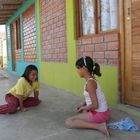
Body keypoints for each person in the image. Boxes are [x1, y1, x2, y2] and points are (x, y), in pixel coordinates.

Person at [65, 56, 110, 137]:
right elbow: (91, 97)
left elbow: (95, 105)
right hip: (103, 113)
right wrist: (83, 103)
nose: (77, 71)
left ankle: (99, 126)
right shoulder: (90, 80)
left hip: (100, 114)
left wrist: (84, 108)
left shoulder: (90, 83)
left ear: (84, 68)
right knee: (83, 112)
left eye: (78, 68)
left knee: (69, 121)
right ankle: (97, 121)